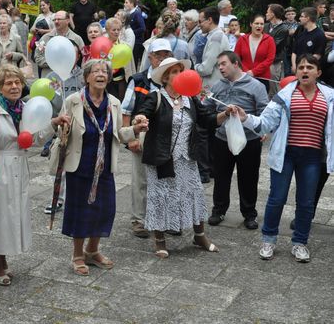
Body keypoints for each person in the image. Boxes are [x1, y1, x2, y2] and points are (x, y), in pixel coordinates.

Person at [0, 65, 68, 284]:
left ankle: (2, 259)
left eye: (17, 83)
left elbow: (36, 139)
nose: (14, 87)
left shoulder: (26, 108)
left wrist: (52, 124)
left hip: (19, 166)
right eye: (8, 83)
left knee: (12, 214)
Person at [233, 54, 334, 263]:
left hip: (313, 157)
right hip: (286, 154)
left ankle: (300, 243)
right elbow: (266, 122)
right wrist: (245, 118)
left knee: (306, 203)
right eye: (301, 68)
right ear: (296, 72)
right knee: (277, 198)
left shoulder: (330, 97)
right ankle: (269, 239)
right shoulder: (285, 95)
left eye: (310, 67)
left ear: (319, 72)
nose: (304, 71)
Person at [133, 57, 230, 258]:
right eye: (175, 71)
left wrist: (226, 114)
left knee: (194, 194)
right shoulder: (156, 97)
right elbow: (142, 113)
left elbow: (207, 120)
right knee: (161, 197)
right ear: (166, 77)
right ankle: (159, 240)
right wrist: (140, 119)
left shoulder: (190, 98)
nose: (181, 74)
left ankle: (199, 235)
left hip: (187, 158)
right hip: (162, 158)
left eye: (181, 70)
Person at [57, 60, 124, 275]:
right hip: (80, 163)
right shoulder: (74, 101)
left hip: (103, 166)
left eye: (104, 71)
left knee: (104, 209)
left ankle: (93, 250)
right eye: (96, 71)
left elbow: (119, 133)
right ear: (86, 77)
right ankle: (77, 254)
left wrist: (137, 130)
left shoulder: (114, 102)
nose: (101, 74)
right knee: (80, 211)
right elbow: (60, 130)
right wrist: (58, 124)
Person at [205, 51, 268, 229]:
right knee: (221, 176)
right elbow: (207, 109)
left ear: (236, 64)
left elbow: (264, 111)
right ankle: (218, 210)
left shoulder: (256, 86)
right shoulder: (217, 86)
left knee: (248, 177)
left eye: (224, 63)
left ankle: (249, 213)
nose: (221, 68)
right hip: (222, 139)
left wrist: (262, 129)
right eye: (219, 65)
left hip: (249, 140)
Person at [119, 39, 173, 238]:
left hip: (167, 135)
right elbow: (126, 110)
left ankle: (163, 219)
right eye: (159, 55)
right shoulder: (139, 79)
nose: (163, 58)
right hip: (142, 133)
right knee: (141, 180)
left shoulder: (174, 79)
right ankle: (139, 220)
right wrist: (130, 137)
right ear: (150, 57)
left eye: (166, 54)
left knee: (166, 179)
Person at [35, 11, 84, 77]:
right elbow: (37, 57)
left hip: (70, 79)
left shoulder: (77, 39)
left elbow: (84, 59)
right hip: (49, 79)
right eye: (54, 19)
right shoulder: (45, 38)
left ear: (68, 20)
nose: (56, 22)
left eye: (59, 19)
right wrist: (54, 62)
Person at [234, 15, 276, 91]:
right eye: (256, 23)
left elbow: (270, 59)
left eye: (261, 24)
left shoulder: (269, 40)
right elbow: (236, 57)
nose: (259, 26)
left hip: (262, 78)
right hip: (244, 76)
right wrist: (246, 71)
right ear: (251, 24)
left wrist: (254, 72)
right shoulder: (242, 39)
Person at [291, 7, 326, 73]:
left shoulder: (320, 35)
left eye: (301, 16)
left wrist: (303, 66)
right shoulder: (301, 33)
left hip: (309, 71)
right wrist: (294, 65)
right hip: (297, 69)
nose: (299, 18)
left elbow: (317, 55)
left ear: (308, 18)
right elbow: (294, 51)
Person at [124, 0, 146, 67]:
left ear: (132, 3)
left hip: (136, 42)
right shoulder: (128, 14)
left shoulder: (137, 13)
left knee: (134, 63)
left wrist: (131, 33)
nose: (124, 4)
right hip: (130, 41)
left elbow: (143, 28)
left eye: (126, 2)